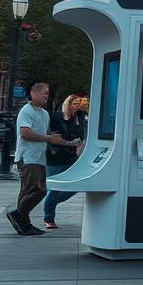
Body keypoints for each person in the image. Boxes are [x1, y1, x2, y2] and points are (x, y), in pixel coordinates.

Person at [9, 82, 79, 236]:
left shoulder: (44, 113)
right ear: (33, 93)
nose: (46, 95)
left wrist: (65, 142)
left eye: (47, 93)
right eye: (44, 93)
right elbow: (25, 134)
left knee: (27, 192)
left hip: (40, 157)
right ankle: (18, 214)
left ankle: (24, 225)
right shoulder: (26, 111)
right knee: (40, 190)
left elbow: (48, 137)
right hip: (27, 158)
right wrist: (49, 138)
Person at [42, 94, 88, 229]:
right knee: (56, 188)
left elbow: (81, 136)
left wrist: (78, 147)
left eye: (79, 103)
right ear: (67, 103)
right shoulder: (56, 117)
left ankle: (50, 202)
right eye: (74, 103)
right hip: (55, 157)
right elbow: (51, 136)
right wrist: (67, 143)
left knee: (74, 187)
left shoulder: (78, 118)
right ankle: (49, 217)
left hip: (71, 157)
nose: (77, 106)